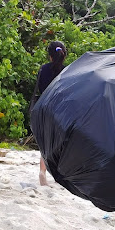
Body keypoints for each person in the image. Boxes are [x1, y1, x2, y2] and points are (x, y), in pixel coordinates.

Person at [31, 41, 67, 186]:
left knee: (45, 142)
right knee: (59, 142)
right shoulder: (67, 71)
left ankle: (42, 171)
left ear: (50, 56)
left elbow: (40, 88)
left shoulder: (42, 69)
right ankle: (59, 174)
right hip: (61, 110)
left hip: (45, 108)